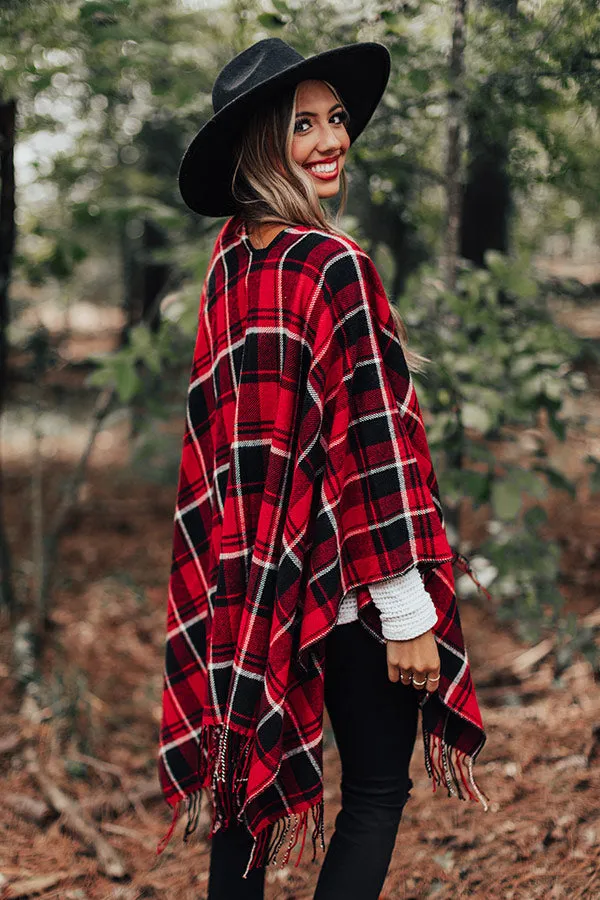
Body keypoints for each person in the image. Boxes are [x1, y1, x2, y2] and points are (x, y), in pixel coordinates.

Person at [157, 37, 490, 900]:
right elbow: (375, 443)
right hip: (352, 593)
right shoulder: (335, 268)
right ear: (260, 144)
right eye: (302, 124)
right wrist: (409, 609)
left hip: (254, 592)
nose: (330, 138)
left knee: (241, 805)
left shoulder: (230, 266)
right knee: (375, 796)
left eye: (336, 119)